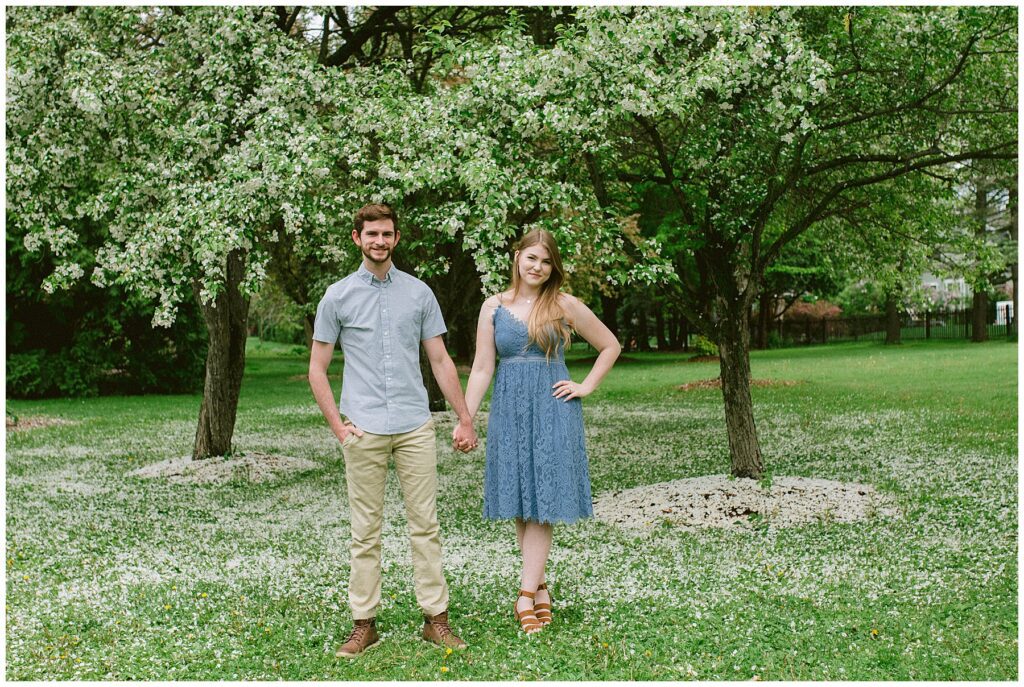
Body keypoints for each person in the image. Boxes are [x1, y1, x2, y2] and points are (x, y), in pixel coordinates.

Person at [309, 203, 478, 658]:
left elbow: (439, 359)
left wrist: (464, 417)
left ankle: (436, 620)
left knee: (426, 526)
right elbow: (317, 369)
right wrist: (339, 428)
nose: (379, 241)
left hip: (413, 425)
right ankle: (364, 624)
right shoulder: (337, 297)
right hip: (362, 428)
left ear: (396, 239)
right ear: (357, 238)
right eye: (371, 234)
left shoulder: (419, 293)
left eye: (386, 234)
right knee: (365, 532)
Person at [464, 229, 620, 634]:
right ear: (517, 256)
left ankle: (524, 595)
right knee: (521, 498)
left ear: (554, 267)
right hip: (509, 409)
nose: (538, 267)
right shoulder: (493, 307)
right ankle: (540, 588)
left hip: (552, 408)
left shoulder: (563, 304)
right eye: (532, 257)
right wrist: (466, 418)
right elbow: (482, 367)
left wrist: (586, 385)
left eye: (546, 261)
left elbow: (610, 345)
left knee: (543, 499)